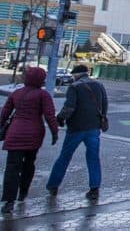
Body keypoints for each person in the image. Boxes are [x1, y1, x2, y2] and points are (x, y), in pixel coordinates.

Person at [0, 66, 59, 214]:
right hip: (34, 134)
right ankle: (23, 191)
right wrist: (54, 133)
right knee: (29, 163)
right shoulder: (43, 95)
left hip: (14, 133)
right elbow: (50, 116)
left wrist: (3, 128)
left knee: (12, 167)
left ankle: (8, 201)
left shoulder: (16, 93)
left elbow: (5, 113)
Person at [46, 64, 107, 200]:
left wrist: (60, 118)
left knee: (65, 156)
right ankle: (94, 188)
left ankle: (53, 185)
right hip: (94, 128)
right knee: (93, 157)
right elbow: (105, 104)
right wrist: (100, 119)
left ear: (76, 75)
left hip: (76, 128)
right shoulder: (99, 85)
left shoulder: (74, 87)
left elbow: (69, 107)